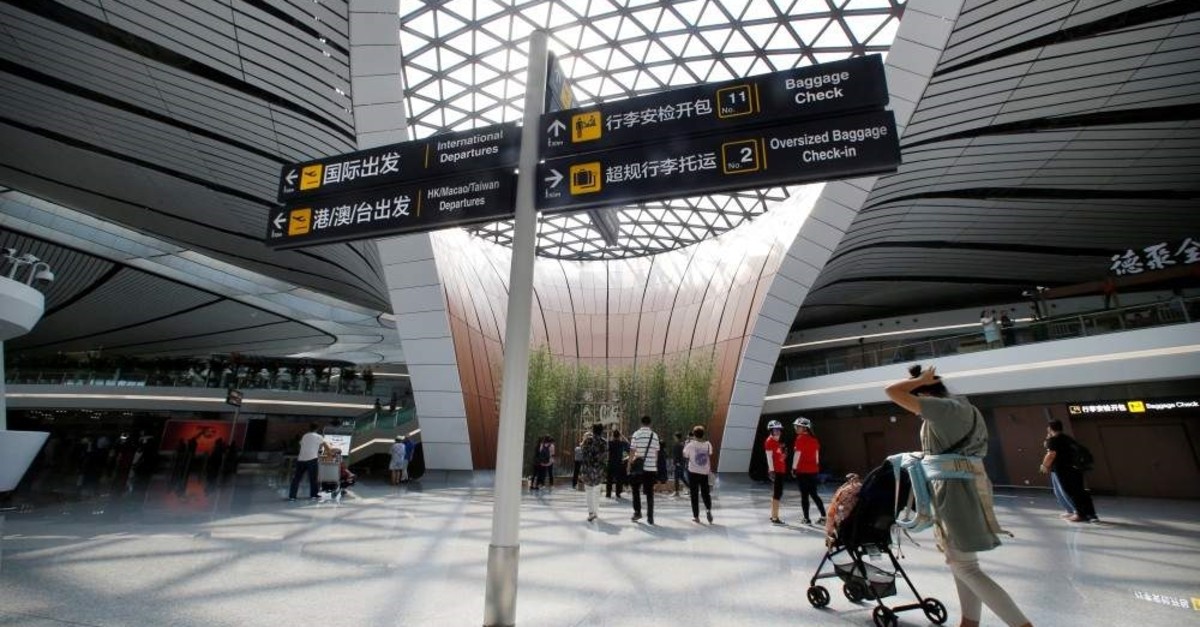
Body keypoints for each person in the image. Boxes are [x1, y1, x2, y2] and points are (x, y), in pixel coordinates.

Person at [885, 365, 1033, 627]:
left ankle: (1021, 624)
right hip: (967, 483)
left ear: (925, 393)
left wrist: (918, 380)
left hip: (954, 490)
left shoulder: (942, 408)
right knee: (961, 562)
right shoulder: (966, 408)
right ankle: (969, 622)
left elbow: (892, 391)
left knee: (965, 567)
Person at [1040, 420, 1098, 523]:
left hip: (1063, 469)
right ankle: (1091, 514)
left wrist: (1044, 466)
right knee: (1081, 491)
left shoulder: (1053, 440)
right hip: (1076, 468)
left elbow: (1051, 454)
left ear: (1050, 428)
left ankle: (1079, 514)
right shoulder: (1068, 438)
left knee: (1071, 492)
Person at [791, 417, 826, 525]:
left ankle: (806, 519)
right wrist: (815, 467)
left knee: (804, 496)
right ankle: (824, 517)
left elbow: (797, 455)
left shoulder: (800, 438)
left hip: (802, 471)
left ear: (805, 428)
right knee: (814, 494)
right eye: (796, 426)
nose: (796, 428)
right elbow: (816, 457)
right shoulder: (814, 439)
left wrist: (794, 468)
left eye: (798, 426)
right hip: (813, 471)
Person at [627, 416, 661, 524]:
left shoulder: (636, 434)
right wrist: (654, 465)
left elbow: (632, 451)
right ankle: (650, 517)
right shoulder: (655, 435)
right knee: (650, 493)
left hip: (638, 468)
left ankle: (637, 512)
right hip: (651, 468)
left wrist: (629, 465)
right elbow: (656, 453)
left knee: (635, 490)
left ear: (641, 423)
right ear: (650, 424)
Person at [288, 423, 329, 501]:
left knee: (296, 478)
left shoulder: (305, 436)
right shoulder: (319, 436)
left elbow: (301, 445)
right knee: (313, 478)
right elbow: (325, 446)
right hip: (312, 459)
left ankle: (292, 496)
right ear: (317, 429)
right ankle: (313, 495)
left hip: (301, 459)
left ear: (310, 428)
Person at [682, 425, 714, 524]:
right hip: (704, 472)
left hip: (693, 472)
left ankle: (696, 517)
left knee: (694, 494)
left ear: (694, 434)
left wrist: (687, 445)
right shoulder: (708, 444)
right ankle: (708, 509)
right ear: (703, 434)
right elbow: (710, 453)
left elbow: (685, 455)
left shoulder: (690, 444)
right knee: (705, 493)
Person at [580, 423, 608, 522]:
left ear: (593, 430)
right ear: (601, 431)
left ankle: (591, 512)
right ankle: (596, 512)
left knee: (589, 491)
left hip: (588, 469)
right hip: (599, 470)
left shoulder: (587, 440)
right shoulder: (604, 442)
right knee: (597, 491)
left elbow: (583, 452)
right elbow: (605, 457)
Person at [764, 419, 787, 524]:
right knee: (777, 493)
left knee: (777, 493)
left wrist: (784, 455)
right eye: (775, 430)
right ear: (771, 431)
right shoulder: (769, 441)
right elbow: (769, 458)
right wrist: (772, 471)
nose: (778, 432)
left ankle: (773, 515)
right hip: (776, 471)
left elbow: (779, 457)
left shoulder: (777, 442)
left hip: (780, 470)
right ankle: (774, 517)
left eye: (779, 430)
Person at [605, 428, 629, 499]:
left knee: (609, 479)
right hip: (619, 463)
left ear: (613, 435)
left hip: (611, 463)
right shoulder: (622, 443)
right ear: (619, 436)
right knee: (619, 479)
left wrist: (610, 437)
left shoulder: (610, 443)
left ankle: (608, 493)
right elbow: (628, 444)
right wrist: (622, 436)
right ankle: (618, 493)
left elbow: (606, 448)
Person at [672, 432, 690, 497]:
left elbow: (677, 455)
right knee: (682, 477)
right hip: (681, 463)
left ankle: (676, 492)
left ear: (676, 437)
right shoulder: (682, 445)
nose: (674, 438)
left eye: (674, 437)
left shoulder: (678, 445)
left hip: (678, 464)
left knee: (676, 478)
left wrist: (676, 463)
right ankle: (691, 488)